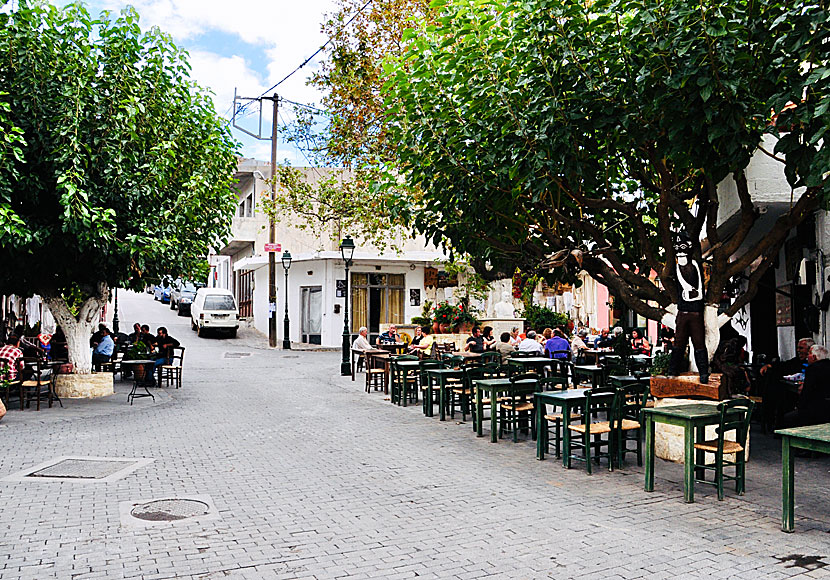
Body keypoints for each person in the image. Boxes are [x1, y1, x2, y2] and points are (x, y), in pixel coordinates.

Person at [762, 338, 814, 429]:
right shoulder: (796, 361)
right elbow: (785, 365)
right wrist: (770, 365)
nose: (798, 350)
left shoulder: (815, 367)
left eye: (801, 348)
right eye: (798, 348)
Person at [780, 345, 830, 427]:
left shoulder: (813, 369)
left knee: (788, 417)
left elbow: (806, 393)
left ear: (814, 357)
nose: (807, 356)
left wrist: (799, 407)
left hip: (815, 409)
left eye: (809, 354)